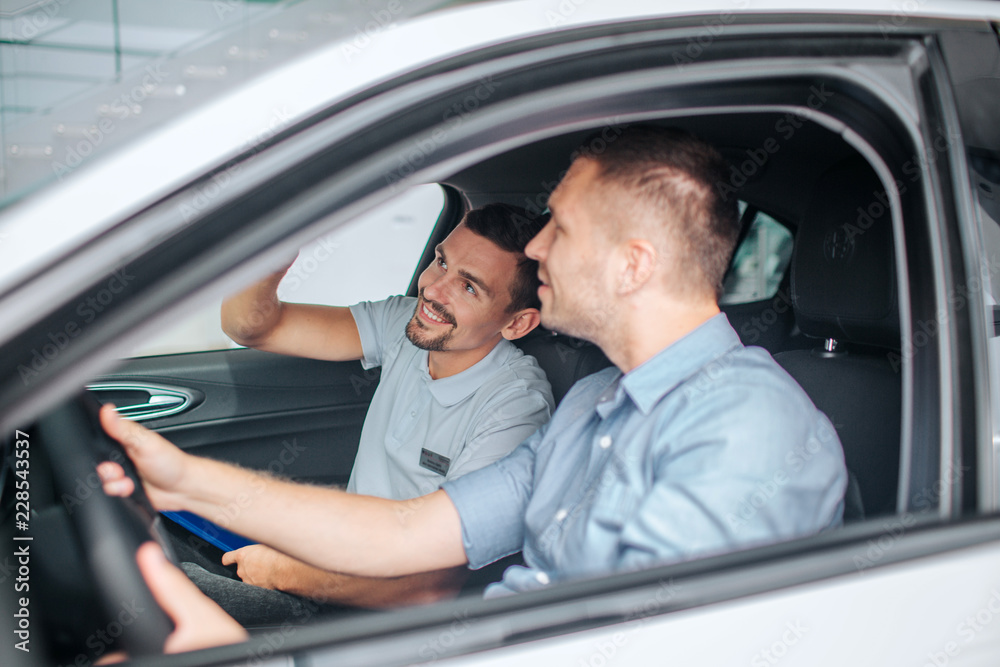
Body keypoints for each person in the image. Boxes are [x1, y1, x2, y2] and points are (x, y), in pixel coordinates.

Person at [99, 125, 846, 649]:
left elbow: (622, 646)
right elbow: (405, 532)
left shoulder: (749, 427)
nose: (540, 246)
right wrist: (189, 481)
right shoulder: (593, 405)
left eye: (561, 228)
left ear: (633, 264)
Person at [174, 203, 554, 624]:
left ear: (517, 324)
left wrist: (283, 571)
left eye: (468, 288)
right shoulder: (406, 327)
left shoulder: (515, 409)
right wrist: (273, 251)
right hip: (337, 563)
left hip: (389, 623)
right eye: (441, 262)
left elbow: (427, 589)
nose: (432, 290)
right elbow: (251, 327)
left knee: (161, 597)